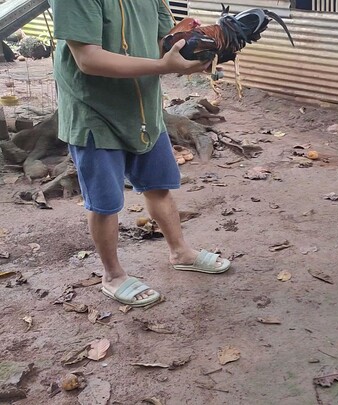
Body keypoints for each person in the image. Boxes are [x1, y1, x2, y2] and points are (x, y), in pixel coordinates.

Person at [51, 0, 231, 307]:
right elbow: (87, 59)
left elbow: (167, 41)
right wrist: (163, 66)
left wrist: (203, 44)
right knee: (105, 201)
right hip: (95, 111)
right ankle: (113, 275)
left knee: (159, 185)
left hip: (143, 108)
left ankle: (180, 251)